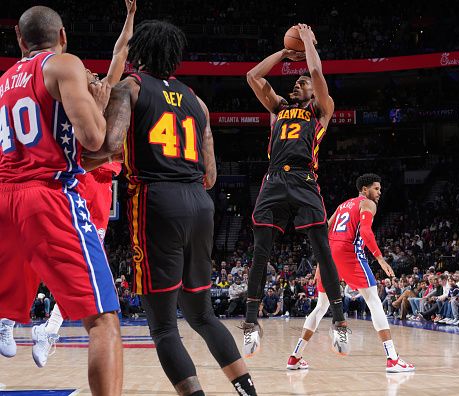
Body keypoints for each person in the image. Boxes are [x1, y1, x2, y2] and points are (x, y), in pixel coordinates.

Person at [92, 20, 257, 396]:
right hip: (200, 204)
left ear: (139, 54)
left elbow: (109, 143)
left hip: (157, 201)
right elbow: (211, 175)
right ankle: (248, 391)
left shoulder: (130, 87)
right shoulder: (197, 102)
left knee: (164, 326)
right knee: (202, 314)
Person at [0, 6, 123, 394]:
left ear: (20, 41)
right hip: (47, 196)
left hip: (4, 197)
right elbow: (92, 138)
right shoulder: (63, 64)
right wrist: (100, 106)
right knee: (103, 319)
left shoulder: (3, 80)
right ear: (63, 36)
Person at [242, 23, 349, 357]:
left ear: (313, 92)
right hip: (274, 180)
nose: (298, 83)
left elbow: (315, 69)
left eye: (302, 82)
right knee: (261, 251)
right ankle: (250, 323)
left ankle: (340, 322)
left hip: (305, 180)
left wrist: (305, 41)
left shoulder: (320, 110)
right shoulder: (279, 109)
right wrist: (284, 53)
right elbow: (252, 76)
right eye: (296, 80)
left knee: (321, 250)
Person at [287, 174, 414, 372]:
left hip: (330, 255)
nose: (379, 193)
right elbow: (365, 232)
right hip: (350, 254)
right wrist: (380, 259)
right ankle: (393, 359)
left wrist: (321, 263)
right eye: (376, 189)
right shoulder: (367, 204)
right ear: (364, 190)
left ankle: (295, 357)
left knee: (321, 307)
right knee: (373, 301)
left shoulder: (342, 206)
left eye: (380, 189)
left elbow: (324, 232)